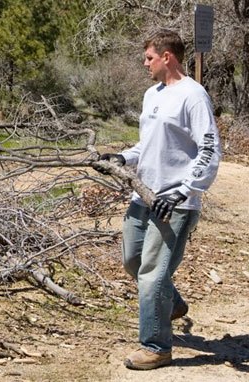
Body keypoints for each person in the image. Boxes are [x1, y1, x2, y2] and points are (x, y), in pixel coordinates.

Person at [94, 29, 222, 370]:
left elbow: (209, 150)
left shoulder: (193, 96)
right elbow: (147, 145)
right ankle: (172, 302)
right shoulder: (152, 94)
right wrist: (122, 158)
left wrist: (184, 191)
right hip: (144, 195)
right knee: (132, 260)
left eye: (149, 57)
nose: (144, 63)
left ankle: (156, 347)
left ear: (168, 57)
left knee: (152, 274)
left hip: (176, 202)